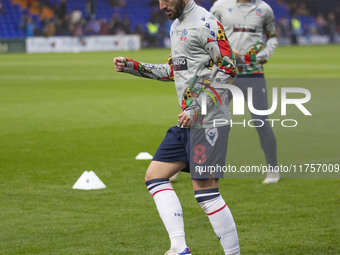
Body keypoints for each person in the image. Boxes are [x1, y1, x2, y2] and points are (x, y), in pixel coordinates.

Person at [114, 1, 241, 254]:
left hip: (208, 121)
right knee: (155, 176)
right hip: (186, 120)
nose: (162, 5)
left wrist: (197, 107)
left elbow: (229, 67)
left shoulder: (206, 24)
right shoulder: (176, 26)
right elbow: (173, 70)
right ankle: (179, 247)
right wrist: (133, 67)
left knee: (206, 193)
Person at [210, 0, 279, 184]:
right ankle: (185, 164)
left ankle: (273, 169)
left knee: (261, 122)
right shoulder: (220, 6)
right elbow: (207, 35)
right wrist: (226, 52)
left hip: (253, 74)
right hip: (226, 74)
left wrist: (264, 54)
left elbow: (272, 36)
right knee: (207, 119)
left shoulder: (264, 9)